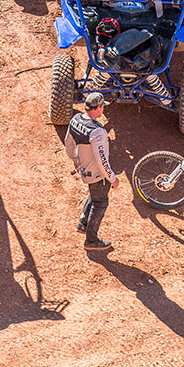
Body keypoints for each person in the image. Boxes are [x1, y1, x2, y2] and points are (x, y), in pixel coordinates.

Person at [65, 92, 120, 250]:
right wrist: (112, 178)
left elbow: (68, 143)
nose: (103, 109)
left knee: (95, 195)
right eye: (103, 106)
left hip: (83, 168)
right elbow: (101, 160)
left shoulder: (75, 120)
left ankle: (83, 223)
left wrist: (75, 161)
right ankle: (91, 241)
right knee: (100, 203)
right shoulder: (97, 131)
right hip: (97, 175)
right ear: (97, 108)